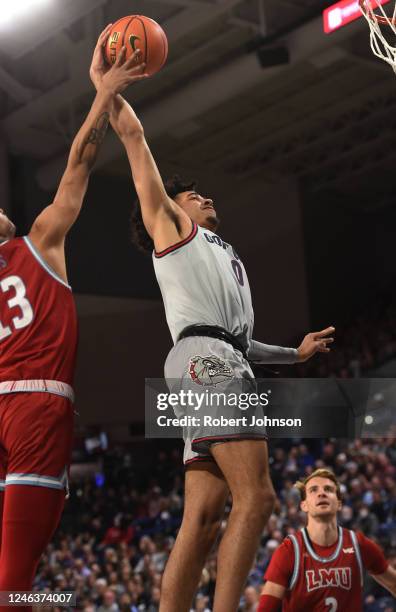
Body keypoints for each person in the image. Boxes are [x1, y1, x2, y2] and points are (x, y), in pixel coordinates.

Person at [90, 27, 335, 612]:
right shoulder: (172, 229)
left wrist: (292, 356)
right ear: (171, 207)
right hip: (205, 362)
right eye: (193, 194)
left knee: (201, 519)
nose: (202, 197)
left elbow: (242, 341)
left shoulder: (222, 253)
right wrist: (106, 85)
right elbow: (132, 137)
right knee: (260, 499)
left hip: (211, 361)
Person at [0, 43, 146, 600]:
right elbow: (79, 164)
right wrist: (104, 92)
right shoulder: (38, 242)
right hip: (35, 406)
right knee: (16, 578)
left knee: (18, 577)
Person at [258, 469, 396, 611]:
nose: (322, 493)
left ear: (339, 503)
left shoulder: (359, 545)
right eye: (313, 490)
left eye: (328, 489)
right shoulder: (289, 551)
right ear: (304, 505)